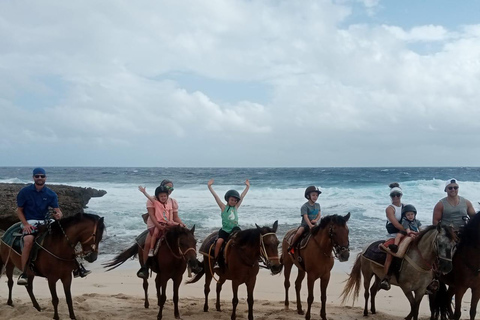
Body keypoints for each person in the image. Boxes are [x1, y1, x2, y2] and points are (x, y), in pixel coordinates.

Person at [16, 168, 90, 286]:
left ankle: (77, 267)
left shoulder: (50, 194)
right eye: (37, 176)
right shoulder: (25, 192)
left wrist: (59, 214)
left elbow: (57, 211)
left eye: (42, 176)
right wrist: (25, 225)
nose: (39, 178)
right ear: (33, 178)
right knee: (28, 241)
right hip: (30, 221)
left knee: (65, 237)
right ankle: (24, 272)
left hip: (46, 220)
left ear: (45, 178)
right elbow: (19, 211)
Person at [137, 180, 185, 279]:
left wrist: (183, 225)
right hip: (154, 225)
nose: (170, 190)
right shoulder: (153, 200)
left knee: (184, 239)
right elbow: (151, 215)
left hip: (169, 224)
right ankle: (145, 267)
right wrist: (158, 226)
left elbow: (175, 217)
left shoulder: (172, 201)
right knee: (147, 243)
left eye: (171, 188)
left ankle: (190, 263)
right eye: (168, 188)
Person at [208, 178, 250, 268]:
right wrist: (210, 186)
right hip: (225, 231)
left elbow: (242, 196)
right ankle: (216, 260)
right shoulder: (223, 207)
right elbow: (216, 197)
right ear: (228, 199)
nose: (234, 202)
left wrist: (247, 187)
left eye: (235, 201)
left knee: (244, 241)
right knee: (219, 242)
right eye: (232, 200)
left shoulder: (235, 207)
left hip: (235, 230)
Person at [380, 182, 406, 290]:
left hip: (405, 233)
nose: (395, 197)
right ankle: (386, 278)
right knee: (390, 254)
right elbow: (395, 223)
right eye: (393, 195)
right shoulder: (390, 209)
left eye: (398, 195)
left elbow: (411, 219)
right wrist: (407, 230)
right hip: (393, 234)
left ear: (401, 195)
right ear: (391, 196)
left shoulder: (405, 207)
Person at [287, 186, 322, 254]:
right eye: (313, 195)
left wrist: (316, 220)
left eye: (317, 195)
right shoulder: (305, 206)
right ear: (308, 196)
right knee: (299, 233)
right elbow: (305, 217)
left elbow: (319, 214)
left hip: (314, 224)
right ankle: (292, 246)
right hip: (305, 224)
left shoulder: (318, 205)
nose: (315, 197)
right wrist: (310, 225)